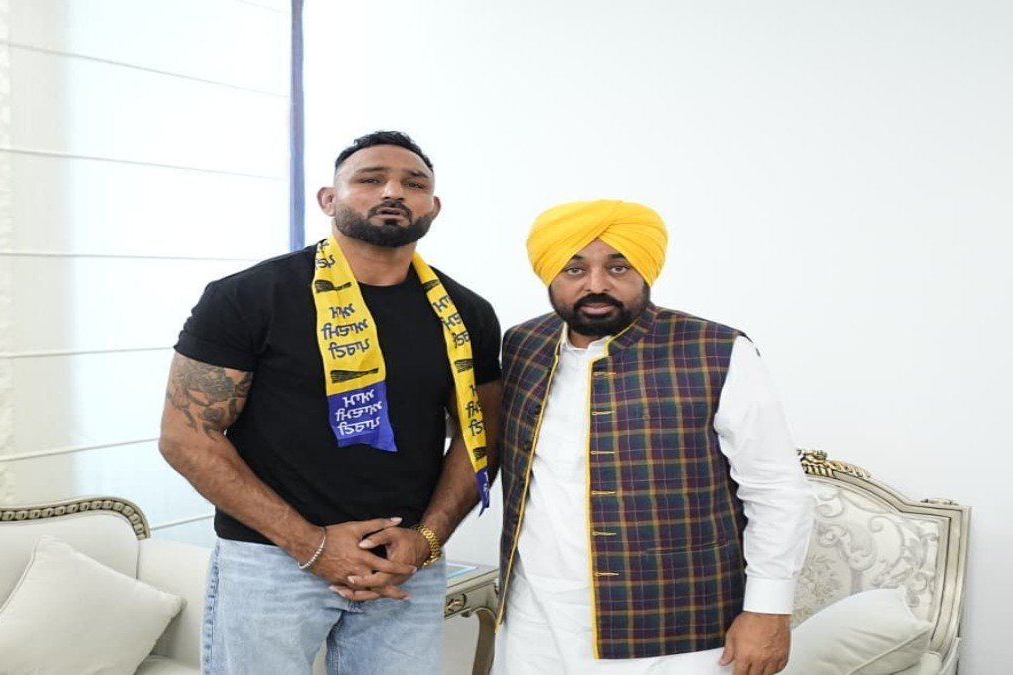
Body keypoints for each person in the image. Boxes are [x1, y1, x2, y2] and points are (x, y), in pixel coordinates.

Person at [159, 130, 502, 675]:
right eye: (370, 179)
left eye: (414, 184)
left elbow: (479, 436)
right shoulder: (248, 297)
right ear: (328, 199)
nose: (393, 191)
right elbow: (186, 437)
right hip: (272, 558)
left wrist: (427, 539)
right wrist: (311, 545)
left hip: (403, 564)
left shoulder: (467, 313)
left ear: (433, 207)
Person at [494, 200, 813, 675]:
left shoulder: (717, 350)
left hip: (677, 626)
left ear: (645, 269)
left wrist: (768, 609)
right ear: (549, 271)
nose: (596, 284)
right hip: (534, 617)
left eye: (617, 267)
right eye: (574, 268)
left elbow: (776, 488)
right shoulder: (524, 344)